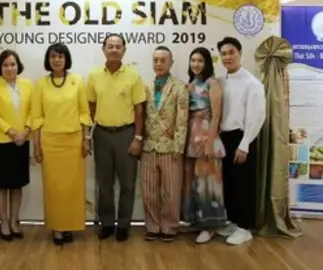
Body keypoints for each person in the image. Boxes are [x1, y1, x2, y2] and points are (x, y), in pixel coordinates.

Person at [31, 43, 92, 246]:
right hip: (50, 143)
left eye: (60, 56)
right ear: (48, 60)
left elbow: (84, 112)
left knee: (72, 188)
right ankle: (57, 227)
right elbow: (37, 117)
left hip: (74, 142)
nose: (56, 60)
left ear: (66, 59)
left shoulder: (77, 81)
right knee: (54, 188)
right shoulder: (41, 84)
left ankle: (69, 226)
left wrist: (86, 139)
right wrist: (36, 146)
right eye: (53, 57)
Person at [87, 34, 146, 242]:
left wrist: (138, 137)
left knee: (128, 184)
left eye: (118, 46)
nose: (114, 49)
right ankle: (107, 224)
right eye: (110, 46)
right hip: (102, 134)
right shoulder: (94, 76)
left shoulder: (134, 76)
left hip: (126, 134)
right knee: (105, 184)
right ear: (103, 49)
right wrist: (87, 136)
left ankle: (123, 225)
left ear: (124, 50)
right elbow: (91, 107)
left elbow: (140, 110)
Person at [217, 36, 265, 246]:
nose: (228, 57)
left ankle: (245, 228)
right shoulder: (221, 81)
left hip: (242, 137)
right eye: (224, 54)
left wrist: (244, 144)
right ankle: (233, 221)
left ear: (240, 53)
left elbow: (257, 117)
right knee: (228, 183)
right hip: (223, 138)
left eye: (231, 52)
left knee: (243, 184)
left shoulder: (252, 83)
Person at [140, 46, 188, 243]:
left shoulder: (180, 87)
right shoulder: (145, 86)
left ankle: (169, 226)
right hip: (148, 146)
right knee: (148, 191)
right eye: (155, 60)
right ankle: (152, 226)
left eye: (163, 60)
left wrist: (179, 146)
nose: (158, 64)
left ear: (171, 63)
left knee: (171, 191)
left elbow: (182, 119)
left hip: (170, 147)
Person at [0, 49, 33, 241]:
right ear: (0, 67)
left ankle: (14, 221)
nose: (9, 68)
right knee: (1, 186)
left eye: (12, 64)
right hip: (1, 141)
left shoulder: (28, 85)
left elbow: (33, 111)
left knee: (16, 185)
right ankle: (3, 222)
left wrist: (26, 131)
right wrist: (11, 131)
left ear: (18, 65)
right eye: (5, 65)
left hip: (22, 141)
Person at [183, 47, 229, 244]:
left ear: (207, 63)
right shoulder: (191, 84)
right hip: (191, 139)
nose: (196, 64)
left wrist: (210, 142)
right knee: (193, 184)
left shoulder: (213, 83)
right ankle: (196, 221)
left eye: (200, 60)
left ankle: (210, 226)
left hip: (207, 138)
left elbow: (216, 115)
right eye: (193, 60)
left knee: (208, 186)